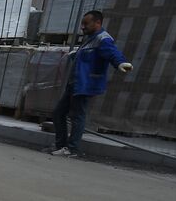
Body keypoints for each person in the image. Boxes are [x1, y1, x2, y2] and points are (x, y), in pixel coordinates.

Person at [50, 9, 133, 159]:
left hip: (85, 84)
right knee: (58, 113)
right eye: (82, 23)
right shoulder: (90, 38)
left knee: (78, 116)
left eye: (86, 23)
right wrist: (75, 54)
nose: (83, 27)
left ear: (98, 23)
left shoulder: (103, 39)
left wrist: (120, 62)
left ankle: (72, 148)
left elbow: (111, 52)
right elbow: (88, 56)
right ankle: (61, 145)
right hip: (75, 83)